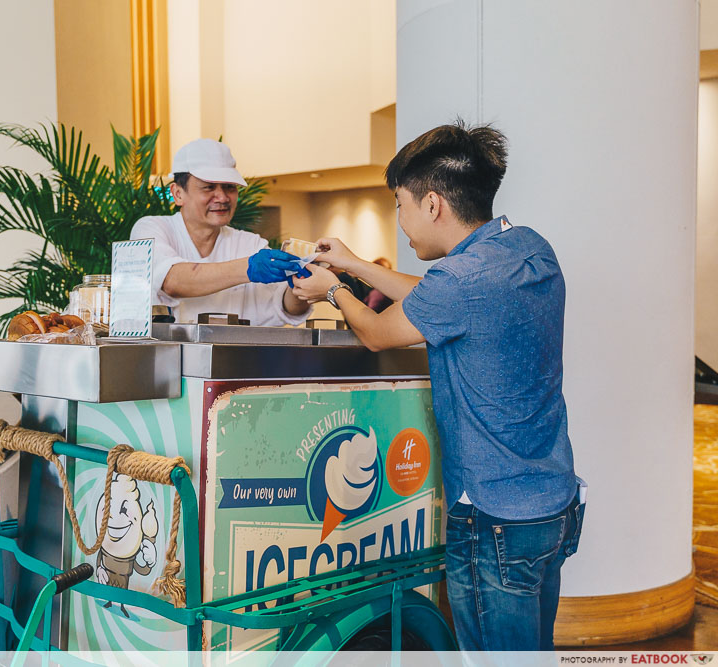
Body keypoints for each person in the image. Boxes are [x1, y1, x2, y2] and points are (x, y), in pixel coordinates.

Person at [291, 121, 583, 652]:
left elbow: (379, 332)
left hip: (493, 518)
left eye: (399, 205)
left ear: (431, 204)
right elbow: (437, 295)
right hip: (551, 503)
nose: (400, 222)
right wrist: (354, 264)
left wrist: (334, 288)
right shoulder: (527, 249)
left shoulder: (463, 282)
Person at [130, 138, 311, 326]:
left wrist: (299, 285)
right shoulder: (151, 229)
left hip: (234, 354)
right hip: (166, 354)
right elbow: (172, 281)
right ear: (178, 194)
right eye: (208, 187)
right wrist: (249, 268)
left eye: (229, 187)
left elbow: (282, 307)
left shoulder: (251, 244)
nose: (222, 197)